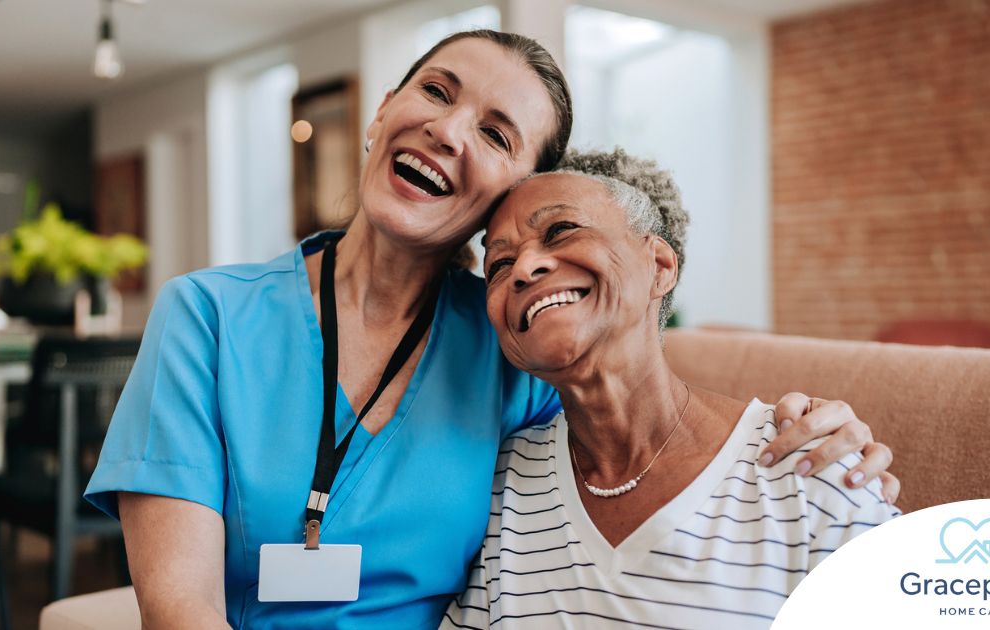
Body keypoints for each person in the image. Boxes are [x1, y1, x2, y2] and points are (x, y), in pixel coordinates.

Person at [84, 31, 896, 629]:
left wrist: (815, 441)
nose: (447, 130)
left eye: (496, 134)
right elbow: (180, 611)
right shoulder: (208, 317)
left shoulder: (512, 346)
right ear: (382, 116)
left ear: (517, 190)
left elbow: (629, 405)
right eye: (435, 93)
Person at [441, 149, 901, 630]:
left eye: (560, 231)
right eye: (498, 265)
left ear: (658, 265)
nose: (523, 268)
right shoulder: (497, 487)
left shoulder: (810, 462)